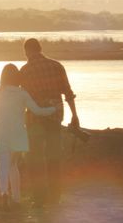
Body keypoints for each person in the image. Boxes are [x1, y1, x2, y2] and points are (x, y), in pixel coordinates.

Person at [18, 38, 79, 206]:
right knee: (54, 157)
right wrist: (75, 116)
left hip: (34, 119)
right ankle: (55, 197)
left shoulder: (25, 70)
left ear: (26, 52)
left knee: (35, 159)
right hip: (55, 116)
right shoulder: (57, 66)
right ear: (41, 48)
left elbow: (21, 98)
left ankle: (38, 198)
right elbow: (68, 93)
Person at [0, 63, 55, 210]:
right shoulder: (22, 93)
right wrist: (53, 109)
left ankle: (4, 193)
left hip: (2, 133)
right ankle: (17, 199)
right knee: (13, 166)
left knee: (3, 167)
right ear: (17, 77)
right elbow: (37, 111)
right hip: (18, 134)